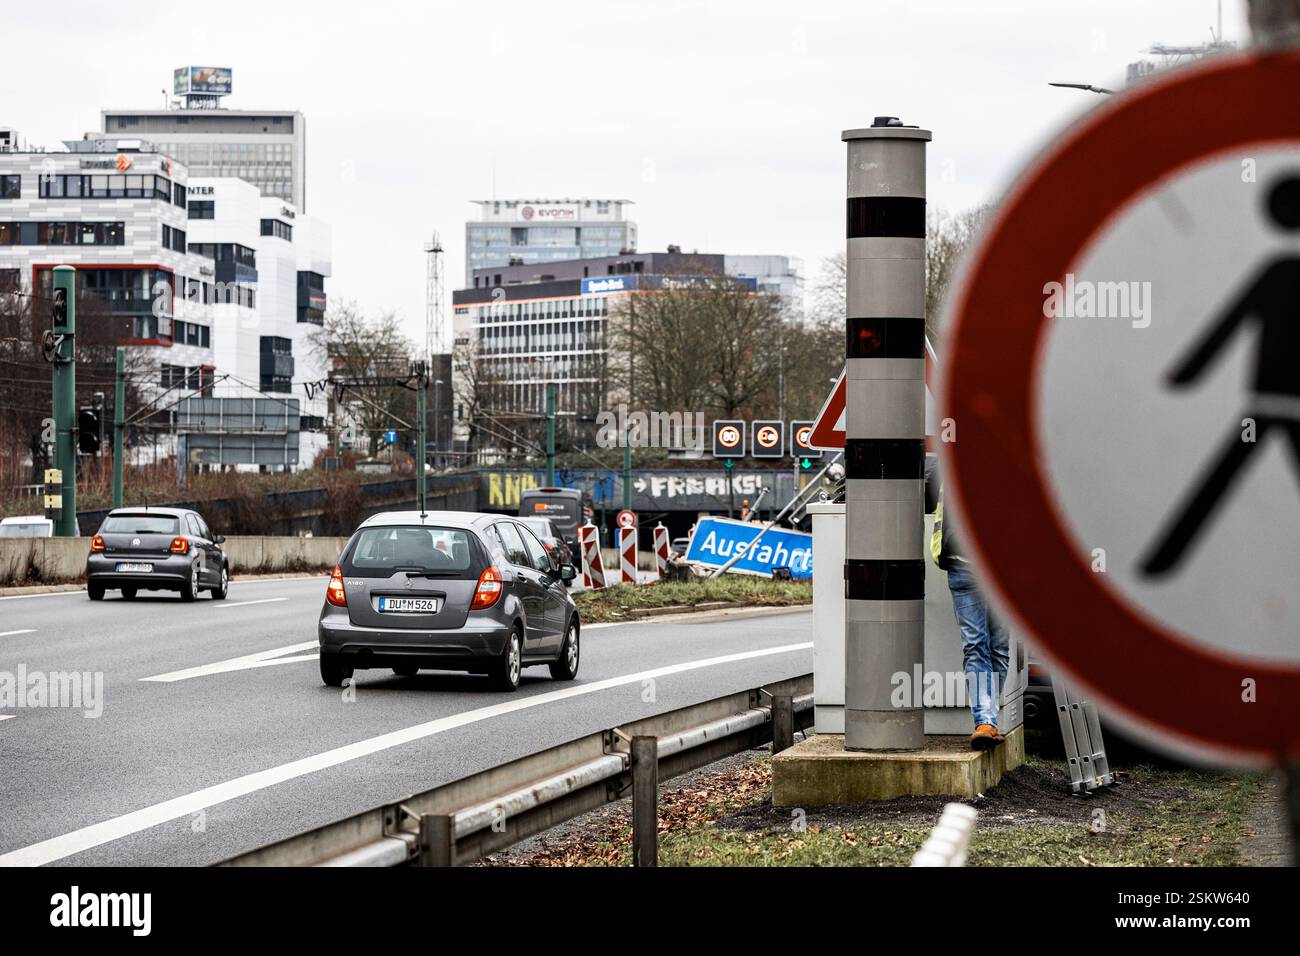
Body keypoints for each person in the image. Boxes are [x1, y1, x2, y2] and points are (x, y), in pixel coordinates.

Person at [929, 467, 1009, 750]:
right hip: (965, 567)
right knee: (977, 645)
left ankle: (989, 720)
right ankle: (985, 721)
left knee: (997, 647)